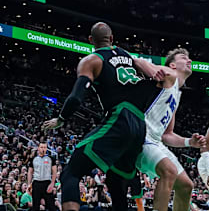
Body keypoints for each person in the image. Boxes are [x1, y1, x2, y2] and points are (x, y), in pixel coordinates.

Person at [41, 23, 162, 211]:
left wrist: (61, 118)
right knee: (116, 181)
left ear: (90, 40)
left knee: (71, 172)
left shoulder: (92, 60)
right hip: (140, 123)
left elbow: (75, 98)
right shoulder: (128, 56)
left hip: (120, 118)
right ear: (112, 39)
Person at [134, 48, 205, 211]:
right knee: (169, 172)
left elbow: (167, 135)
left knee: (186, 185)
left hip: (156, 141)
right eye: (183, 57)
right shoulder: (169, 74)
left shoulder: (176, 93)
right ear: (173, 65)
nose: (189, 60)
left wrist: (189, 142)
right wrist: (143, 64)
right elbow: (141, 61)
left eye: (189, 58)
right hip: (142, 136)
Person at [28, 143, 57, 211]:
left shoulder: (51, 158)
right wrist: (29, 183)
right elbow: (30, 172)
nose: (43, 149)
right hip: (36, 182)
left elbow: (54, 172)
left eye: (44, 147)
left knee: (51, 205)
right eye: (41, 147)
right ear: (38, 148)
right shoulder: (33, 159)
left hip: (47, 182)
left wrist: (52, 183)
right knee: (35, 205)